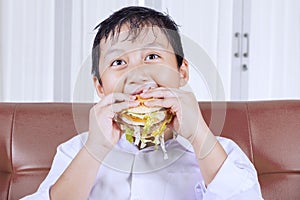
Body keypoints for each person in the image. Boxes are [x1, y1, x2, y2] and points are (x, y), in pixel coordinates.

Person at [22, 6, 263, 200]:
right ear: (100, 87)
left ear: (182, 72)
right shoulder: (75, 150)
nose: (137, 74)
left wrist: (199, 133)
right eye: (118, 62)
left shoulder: (221, 152)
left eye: (152, 56)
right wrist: (94, 150)